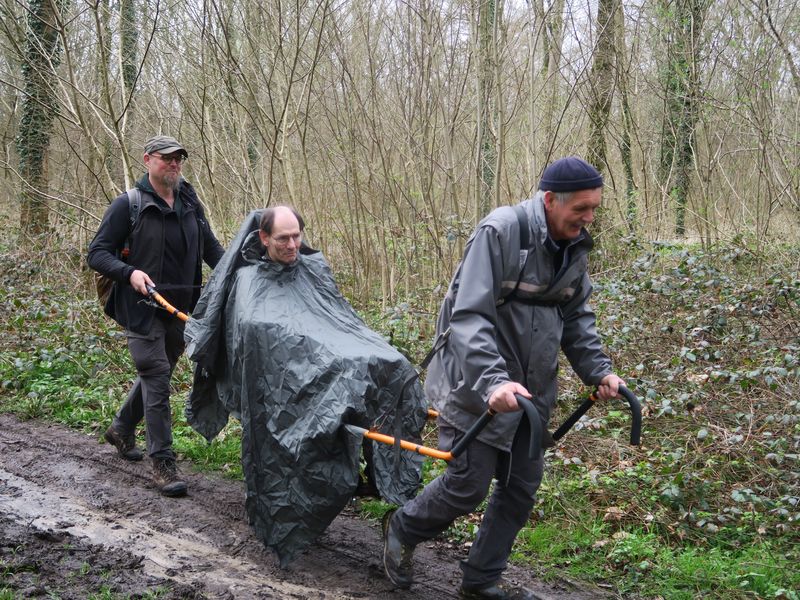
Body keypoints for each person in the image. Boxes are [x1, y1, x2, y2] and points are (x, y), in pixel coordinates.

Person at [381, 156, 626, 599]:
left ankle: (480, 580)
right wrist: (493, 380)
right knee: (466, 487)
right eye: (582, 209)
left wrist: (599, 372)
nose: (589, 218)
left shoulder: (574, 247)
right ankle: (402, 527)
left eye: (594, 208)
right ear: (551, 200)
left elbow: (576, 317)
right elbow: (469, 316)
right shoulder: (502, 232)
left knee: (520, 490)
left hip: (530, 394)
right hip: (475, 385)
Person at [182, 205, 427, 564]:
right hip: (289, 370)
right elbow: (255, 331)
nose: (293, 245)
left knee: (393, 364)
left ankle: (376, 470)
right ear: (264, 238)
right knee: (343, 373)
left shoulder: (311, 267)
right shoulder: (249, 279)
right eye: (284, 239)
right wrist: (312, 353)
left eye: (297, 236)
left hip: (329, 350)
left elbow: (340, 316)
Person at [87, 135, 225, 497]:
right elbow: (97, 254)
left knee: (156, 373)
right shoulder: (127, 205)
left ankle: (120, 427)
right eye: (166, 158)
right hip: (141, 310)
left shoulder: (191, 204)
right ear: (148, 160)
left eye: (179, 158)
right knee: (157, 376)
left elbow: (210, 248)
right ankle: (163, 463)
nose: (174, 164)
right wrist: (129, 273)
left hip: (180, 311)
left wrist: (235, 274)